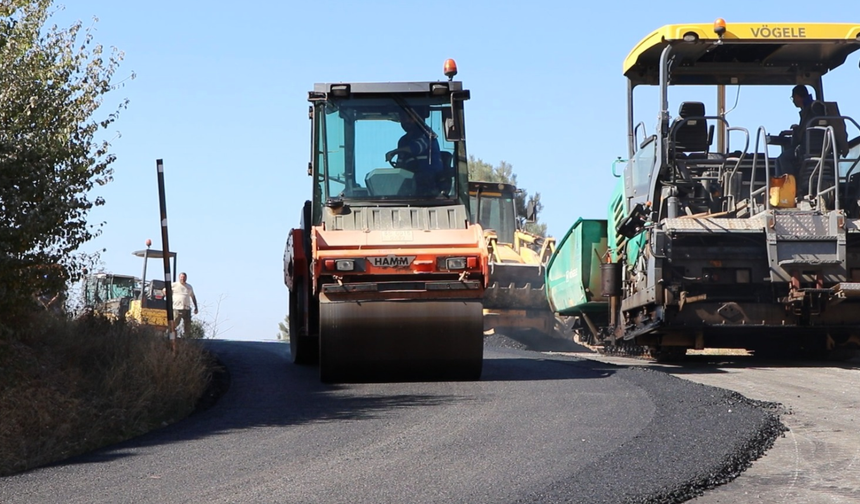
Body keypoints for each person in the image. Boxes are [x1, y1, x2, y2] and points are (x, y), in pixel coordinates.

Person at [385, 108, 443, 194]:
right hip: (412, 181)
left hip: (432, 181)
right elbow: (400, 164)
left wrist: (394, 152)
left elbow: (416, 148)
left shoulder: (428, 134)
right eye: (403, 118)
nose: (406, 121)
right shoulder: (403, 141)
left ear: (418, 118)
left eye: (409, 117)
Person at [776, 85, 826, 178]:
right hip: (819, 145)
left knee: (783, 158)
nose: (793, 101)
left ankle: (790, 185)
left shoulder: (811, 109)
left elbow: (804, 132)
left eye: (793, 98)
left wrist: (795, 130)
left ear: (797, 97)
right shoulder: (813, 108)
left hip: (809, 147)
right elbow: (807, 127)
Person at [165, 272, 198, 336]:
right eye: (181, 277)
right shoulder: (174, 285)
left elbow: (193, 297)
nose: (183, 279)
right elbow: (164, 290)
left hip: (187, 308)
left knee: (187, 325)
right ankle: (169, 336)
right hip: (177, 308)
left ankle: (186, 338)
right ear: (179, 277)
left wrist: (196, 307)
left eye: (184, 277)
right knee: (174, 323)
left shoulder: (189, 287)